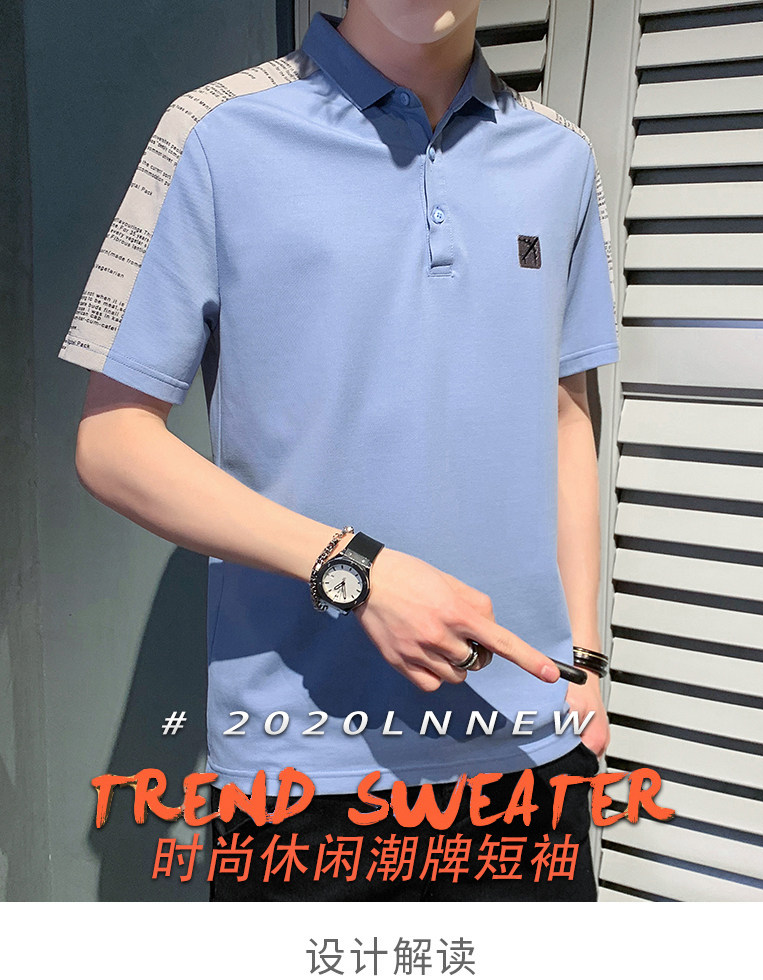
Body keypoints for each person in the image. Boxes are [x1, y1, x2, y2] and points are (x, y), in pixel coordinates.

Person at [59, 0, 620, 901]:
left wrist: (585, 662)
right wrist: (354, 568)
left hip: (528, 751)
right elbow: (112, 440)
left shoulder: (561, 156)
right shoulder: (213, 133)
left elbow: (565, 416)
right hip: (305, 766)